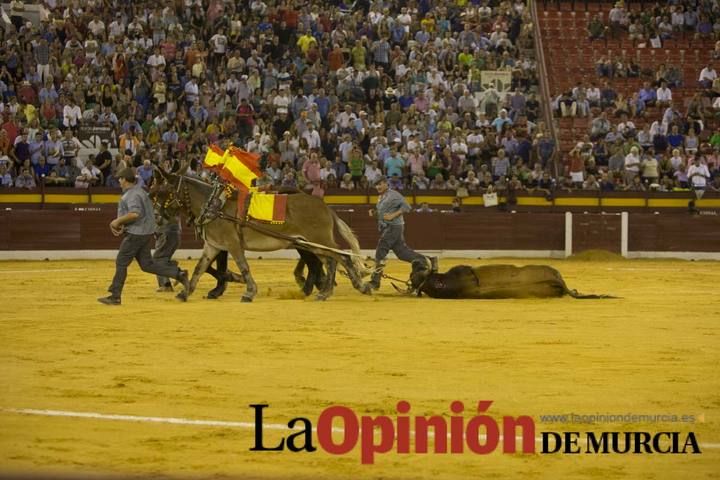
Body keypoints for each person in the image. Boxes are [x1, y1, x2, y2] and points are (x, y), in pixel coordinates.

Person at [98, 168, 188, 305]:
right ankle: (178, 274)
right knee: (147, 265)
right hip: (145, 233)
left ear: (125, 179)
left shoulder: (131, 195)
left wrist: (117, 221)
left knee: (121, 262)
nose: (119, 182)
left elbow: (135, 214)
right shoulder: (141, 191)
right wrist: (124, 224)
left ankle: (115, 295)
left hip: (135, 234)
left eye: (120, 179)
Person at [367, 177, 430, 290]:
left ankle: (375, 282)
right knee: (402, 253)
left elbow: (407, 206)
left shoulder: (393, 195)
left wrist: (393, 215)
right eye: (376, 185)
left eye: (380, 184)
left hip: (393, 227)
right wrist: (375, 213)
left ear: (386, 184)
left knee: (380, 252)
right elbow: (383, 213)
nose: (378, 187)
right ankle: (428, 260)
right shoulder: (381, 197)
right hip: (390, 227)